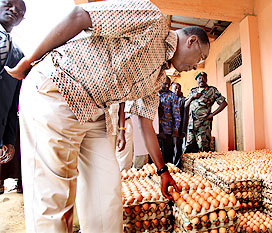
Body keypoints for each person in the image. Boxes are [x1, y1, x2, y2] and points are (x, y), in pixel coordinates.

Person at [5, 0, 210, 232]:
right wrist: (29, 59)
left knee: (106, 195)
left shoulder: (159, 78)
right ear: (192, 41)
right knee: (54, 198)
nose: (195, 68)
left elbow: (145, 123)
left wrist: (162, 170)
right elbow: (79, 16)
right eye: (199, 59)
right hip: (60, 88)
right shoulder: (152, 18)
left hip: (96, 111)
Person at [0, 0, 26, 194]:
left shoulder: (19, 55)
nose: (14, 10)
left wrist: (8, 139)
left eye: (20, 11)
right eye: (8, 4)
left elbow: (12, 104)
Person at [185, 71, 227, 153]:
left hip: (203, 125)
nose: (202, 80)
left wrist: (212, 115)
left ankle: (204, 165)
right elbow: (185, 105)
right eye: (199, 78)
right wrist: (192, 97)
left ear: (207, 79)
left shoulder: (212, 90)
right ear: (196, 80)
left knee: (203, 148)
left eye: (204, 78)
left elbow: (224, 103)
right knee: (189, 148)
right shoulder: (193, 91)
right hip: (191, 124)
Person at [158, 76, 181, 163]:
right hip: (155, 130)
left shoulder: (172, 96)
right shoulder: (155, 94)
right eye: (165, 84)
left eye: (169, 84)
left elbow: (176, 114)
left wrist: (176, 128)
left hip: (167, 130)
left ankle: (169, 173)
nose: (167, 86)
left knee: (167, 154)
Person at [171, 82, 187, 167]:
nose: (177, 90)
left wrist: (183, 131)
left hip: (179, 129)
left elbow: (185, 116)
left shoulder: (183, 100)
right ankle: (169, 166)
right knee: (168, 149)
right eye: (175, 88)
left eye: (179, 88)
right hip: (168, 129)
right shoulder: (168, 98)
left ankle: (176, 167)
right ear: (172, 89)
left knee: (178, 148)